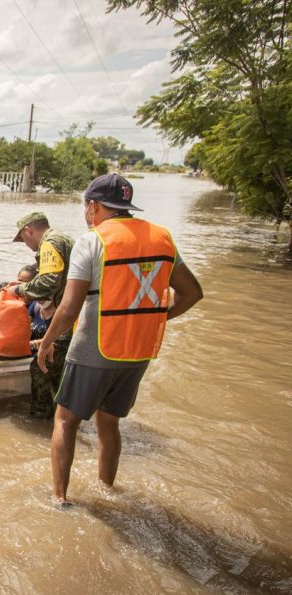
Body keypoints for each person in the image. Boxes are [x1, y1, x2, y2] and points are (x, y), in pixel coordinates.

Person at [36, 173, 203, 504]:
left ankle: (58, 500)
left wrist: (46, 343)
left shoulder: (93, 240)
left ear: (95, 206)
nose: (86, 214)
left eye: (87, 207)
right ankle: (107, 489)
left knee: (65, 420)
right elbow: (192, 293)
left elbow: (69, 308)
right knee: (109, 422)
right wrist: (157, 318)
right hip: (139, 350)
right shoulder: (163, 238)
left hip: (95, 348)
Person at [10, 211, 76, 419]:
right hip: (76, 315)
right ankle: (63, 417)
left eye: (24, 239)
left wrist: (20, 290)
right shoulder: (63, 239)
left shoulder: (49, 243)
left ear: (29, 230)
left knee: (42, 366)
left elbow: (48, 282)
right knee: (60, 371)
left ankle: (43, 420)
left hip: (69, 319)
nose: (26, 244)